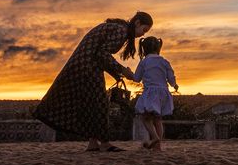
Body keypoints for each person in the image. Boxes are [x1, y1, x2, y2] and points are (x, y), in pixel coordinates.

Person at [33, 11, 153, 152]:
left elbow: (100, 54)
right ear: (137, 23)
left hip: (84, 65)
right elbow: (102, 53)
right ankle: (105, 143)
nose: (143, 34)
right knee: (99, 103)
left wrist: (116, 73)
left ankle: (93, 143)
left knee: (91, 104)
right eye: (144, 30)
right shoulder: (121, 31)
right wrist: (122, 70)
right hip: (87, 67)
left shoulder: (118, 28)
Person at [133, 36, 178, 152]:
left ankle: (155, 137)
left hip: (151, 93)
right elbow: (171, 79)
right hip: (163, 92)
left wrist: (129, 73)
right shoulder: (164, 62)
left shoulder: (144, 62)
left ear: (144, 49)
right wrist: (174, 85)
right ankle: (157, 147)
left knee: (145, 118)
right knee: (158, 120)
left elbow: (137, 78)